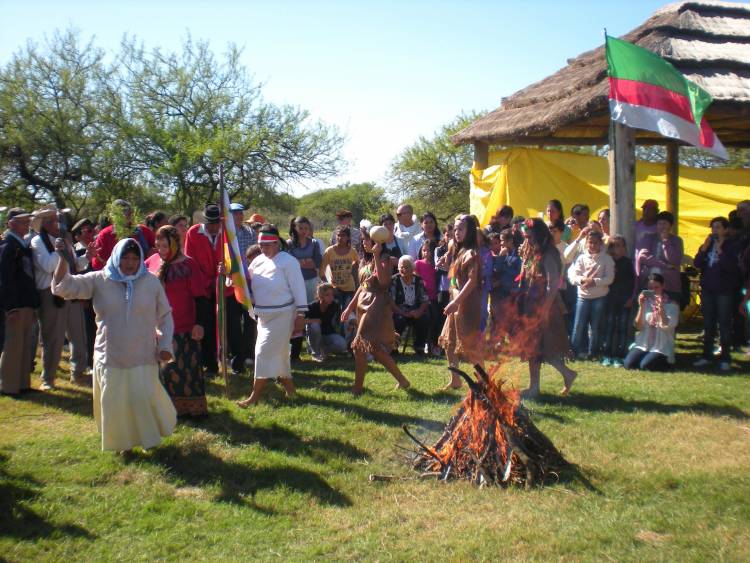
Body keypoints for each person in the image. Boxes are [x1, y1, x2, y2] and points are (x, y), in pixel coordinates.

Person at [52, 238, 176, 452]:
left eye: (135, 258)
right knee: (116, 405)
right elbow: (64, 287)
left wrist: (165, 345)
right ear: (116, 257)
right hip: (110, 356)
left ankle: (149, 440)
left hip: (142, 355)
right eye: (125, 258)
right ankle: (122, 446)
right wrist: (63, 260)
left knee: (142, 400)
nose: (130, 263)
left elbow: (164, 315)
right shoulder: (100, 279)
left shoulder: (151, 282)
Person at [237, 225, 307, 406]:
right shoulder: (257, 261)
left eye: (267, 245)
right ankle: (291, 391)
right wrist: (228, 274)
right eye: (260, 245)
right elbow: (244, 281)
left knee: (262, 353)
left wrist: (301, 313)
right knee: (280, 355)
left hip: (283, 315)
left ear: (276, 244)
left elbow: (299, 288)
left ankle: (254, 396)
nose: (263, 248)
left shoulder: (289, 262)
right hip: (263, 316)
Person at [146, 226, 210, 416]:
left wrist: (199, 323)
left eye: (165, 245)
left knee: (185, 371)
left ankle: (190, 409)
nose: (161, 250)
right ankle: (164, 410)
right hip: (158, 326)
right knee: (162, 371)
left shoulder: (188, 265)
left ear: (174, 243)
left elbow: (201, 297)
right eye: (158, 245)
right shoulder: (152, 262)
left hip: (184, 327)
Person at [341, 231, 411, 395]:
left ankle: (357, 388)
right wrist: (350, 307)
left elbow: (384, 282)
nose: (363, 242)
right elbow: (362, 285)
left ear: (375, 241)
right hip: (363, 303)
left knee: (360, 346)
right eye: (363, 240)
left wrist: (378, 256)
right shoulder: (364, 259)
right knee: (374, 349)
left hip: (376, 304)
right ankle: (402, 380)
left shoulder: (384, 258)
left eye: (366, 239)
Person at [31, 206, 93, 389]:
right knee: (53, 338)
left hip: (70, 290)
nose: (55, 223)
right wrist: (61, 249)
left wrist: (87, 257)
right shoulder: (37, 242)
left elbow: (75, 265)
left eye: (55, 219)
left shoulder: (64, 240)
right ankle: (48, 379)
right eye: (50, 220)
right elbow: (49, 266)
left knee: (78, 335)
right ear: (43, 225)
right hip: (49, 295)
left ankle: (78, 373)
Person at [517, 218, 577, 397]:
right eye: (524, 237)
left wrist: (544, 311)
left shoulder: (549, 254)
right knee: (532, 348)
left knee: (545, 347)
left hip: (544, 307)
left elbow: (553, 285)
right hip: (531, 306)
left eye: (529, 237)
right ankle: (535, 386)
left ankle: (566, 374)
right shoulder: (531, 252)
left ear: (538, 235)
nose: (526, 240)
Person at [438, 214, 483, 389]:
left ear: (470, 231)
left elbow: (472, 281)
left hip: (468, 304)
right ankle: (455, 380)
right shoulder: (459, 251)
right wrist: (453, 295)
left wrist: (457, 301)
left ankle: (483, 381)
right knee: (449, 342)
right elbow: (453, 278)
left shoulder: (472, 253)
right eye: (455, 229)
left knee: (470, 348)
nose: (456, 232)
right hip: (456, 302)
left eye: (461, 229)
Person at [693, 217, 742, 371]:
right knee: (708, 323)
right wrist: (704, 248)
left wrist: (720, 250)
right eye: (713, 227)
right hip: (708, 290)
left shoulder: (733, 246)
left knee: (724, 324)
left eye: (718, 227)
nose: (715, 230)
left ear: (726, 230)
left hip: (724, 291)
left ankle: (725, 357)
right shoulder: (707, 245)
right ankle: (707, 355)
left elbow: (732, 268)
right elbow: (697, 264)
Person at [0, 209, 40, 395]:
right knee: (13, 346)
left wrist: (32, 303)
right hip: (15, 305)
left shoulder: (23, 246)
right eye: (22, 222)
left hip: (27, 302)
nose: (26, 225)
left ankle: (23, 383)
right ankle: (8, 385)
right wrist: (11, 307)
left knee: (24, 345)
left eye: (27, 221)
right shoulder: (8, 246)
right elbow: (6, 279)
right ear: (11, 223)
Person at [184, 203, 223, 376]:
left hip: (223, 286)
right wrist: (207, 281)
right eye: (211, 223)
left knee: (223, 326)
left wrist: (222, 276)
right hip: (202, 288)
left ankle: (226, 360)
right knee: (204, 326)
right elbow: (191, 263)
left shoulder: (227, 234)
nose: (214, 227)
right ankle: (208, 364)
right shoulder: (193, 233)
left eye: (217, 223)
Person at [568, 230, 615, 359]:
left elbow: (609, 278)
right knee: (578, 325)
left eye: (595, 243)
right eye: (590, 243)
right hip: (583, 296)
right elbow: (574, 276)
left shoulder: (607, 259)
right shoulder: (581, 258)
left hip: (599, 297)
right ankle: (574, 351)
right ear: (586, 243)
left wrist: (594, 281)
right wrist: (582, 280)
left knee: (596, 326)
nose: (592, 245)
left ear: (600, 243)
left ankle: (593, 352)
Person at [623, 273, 679, 371]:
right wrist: (641, 306)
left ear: (663, 286)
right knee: (628, 364)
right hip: (644, 344)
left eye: (656, 287)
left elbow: (667, 326)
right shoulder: (646, 303)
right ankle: (646, 357)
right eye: (650, 288)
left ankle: (666, 363)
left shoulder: (671, 305)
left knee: (645, 366)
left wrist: (661, 309)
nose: (653, 291)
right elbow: (638, 327)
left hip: (661, 346)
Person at [91, 199, 155, 270]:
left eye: (128, 212)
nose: (125, 216)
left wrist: (154, 253)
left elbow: (157, 251)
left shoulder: (143, 230)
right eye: (120, 213)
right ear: (112, 216)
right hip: (116, 277)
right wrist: (96, 257)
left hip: (143, 274)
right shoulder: (105, 234)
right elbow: (97, 265)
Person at [635, 211, 684, 302]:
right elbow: (643, 257)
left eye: (665, 224)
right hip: (649, 283)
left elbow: (674, 260)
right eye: (659, 223)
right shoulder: (648, 237)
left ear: (670, 226)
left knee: (669, 312)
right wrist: (665, 265)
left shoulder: (676, 240)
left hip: (669, 284)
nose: (662, 226)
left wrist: (666, 242)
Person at [601, 235, 635, 367]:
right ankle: (607, 354)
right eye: (614, 245)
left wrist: (631, 298)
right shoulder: (608, 262)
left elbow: (633, 283)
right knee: (609, 327)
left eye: (620, 245)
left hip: (624, 300)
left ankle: (619, 356)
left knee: (622, 328)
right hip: (610, 299)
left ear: (625, 248)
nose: (617, 248)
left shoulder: (627, 262)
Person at [390, 255, 430, 356]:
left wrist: (419, 311)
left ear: (412, 268)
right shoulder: (394, 280)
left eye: (407, 267)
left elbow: (425, 300)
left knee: (424, 318)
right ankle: (393, 347)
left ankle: (419, 347)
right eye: (401, 267)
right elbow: (391, 302)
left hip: (415, 310)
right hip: (399, 310)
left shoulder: (418, 280)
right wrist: (402, 312)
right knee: (398, 320)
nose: (403, 269)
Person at [489, 230, 521, 340]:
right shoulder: (504, 253)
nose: (501, 243)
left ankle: (515, 342)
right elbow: (497, 269)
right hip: (502, 292)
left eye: (502, 240)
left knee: (513, 319)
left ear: (510, 240)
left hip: (514, 292)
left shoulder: (519, 254)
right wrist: (500, 257)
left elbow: (519, 273)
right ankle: (497, 342)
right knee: (500, 318)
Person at [319, 225, 359, 310]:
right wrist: (329, 285)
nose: (340, 238)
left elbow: (357, 262)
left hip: (349, 287)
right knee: (337, 311)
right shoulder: (329, 251)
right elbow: (322, 270)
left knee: (347, 311)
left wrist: (351, 268)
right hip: (335, 288)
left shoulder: (352, 251)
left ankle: (345, 323)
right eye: (338, 235)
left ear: (348, 237)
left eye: (343, 235)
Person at [305, 283, 347, 362]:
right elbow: (300, 321)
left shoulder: (335, 306)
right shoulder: (311, 307)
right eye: (327, 295)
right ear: (320, 296)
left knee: (343, 345)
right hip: (313, 335)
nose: (331, 297)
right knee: (314, 325)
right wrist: (312, 321)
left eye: (332, 294)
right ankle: (315, 353)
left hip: (328, 334)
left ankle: (323, 350)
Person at [415, 239, 441, 356]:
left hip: (434, 297)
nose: (426, 253)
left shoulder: (436, 266)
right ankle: (425, 343)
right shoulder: (418, 264)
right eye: (424, 250)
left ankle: (434, 344)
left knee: (436, 318)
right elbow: (415, 281)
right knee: (427, 317)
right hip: (422, 298)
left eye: (428, 251)